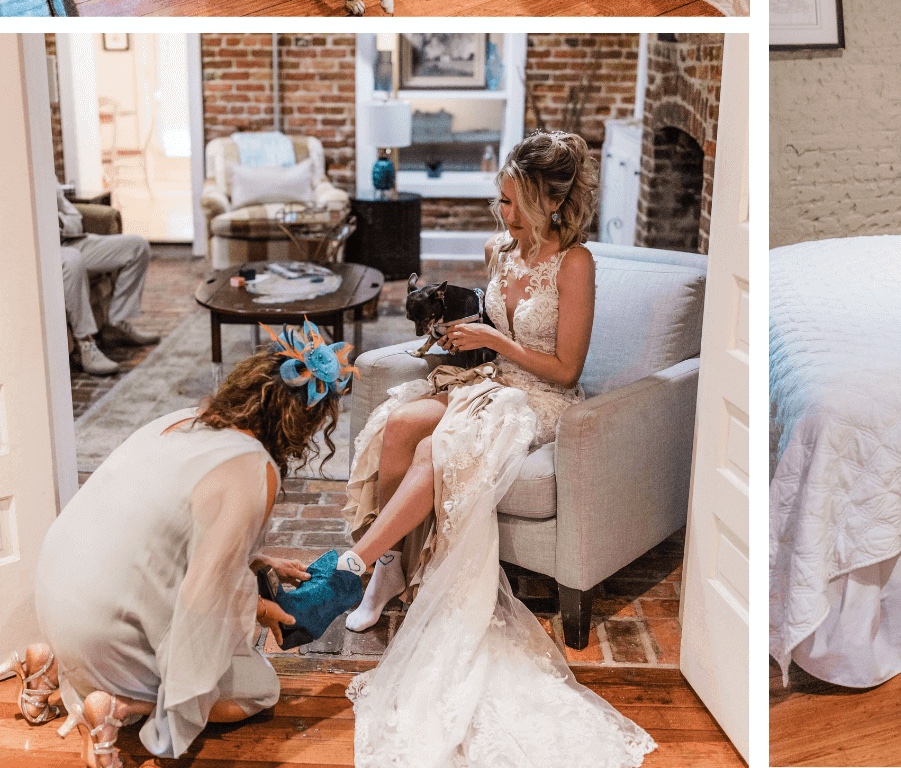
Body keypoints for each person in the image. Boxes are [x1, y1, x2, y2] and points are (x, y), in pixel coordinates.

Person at [338, 130, 653, 767]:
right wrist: (459, 334)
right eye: (499, 200)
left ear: (548, 203)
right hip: (489, 379)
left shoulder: (576, 265)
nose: (501, 215)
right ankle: (393, 567)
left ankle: (354, 564)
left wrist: (496, 339)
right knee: (399, 425)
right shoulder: (499, 251)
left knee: (437, 450)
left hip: (537, 400)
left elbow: (564, 370)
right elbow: (491, 338)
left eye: (512, 203)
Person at [19, 326, 354, 767]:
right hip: (106, 626)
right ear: (304, 423)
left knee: (197, 637)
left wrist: (259, 560)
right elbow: (206, 595)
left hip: (57, 593)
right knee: (257, 688)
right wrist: (266, 610)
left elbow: (158, 532)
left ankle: (55, 663)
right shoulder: (254, 468)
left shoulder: (182, 420)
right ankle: (120, 705)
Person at [56, 186, 159, 378]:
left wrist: (59, 223)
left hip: (69, 240)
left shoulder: (44, 174)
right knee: (72, 260)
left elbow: (75, 217)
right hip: (42, 250)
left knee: (137, 246)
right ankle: (85, 343)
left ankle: (116, 322)